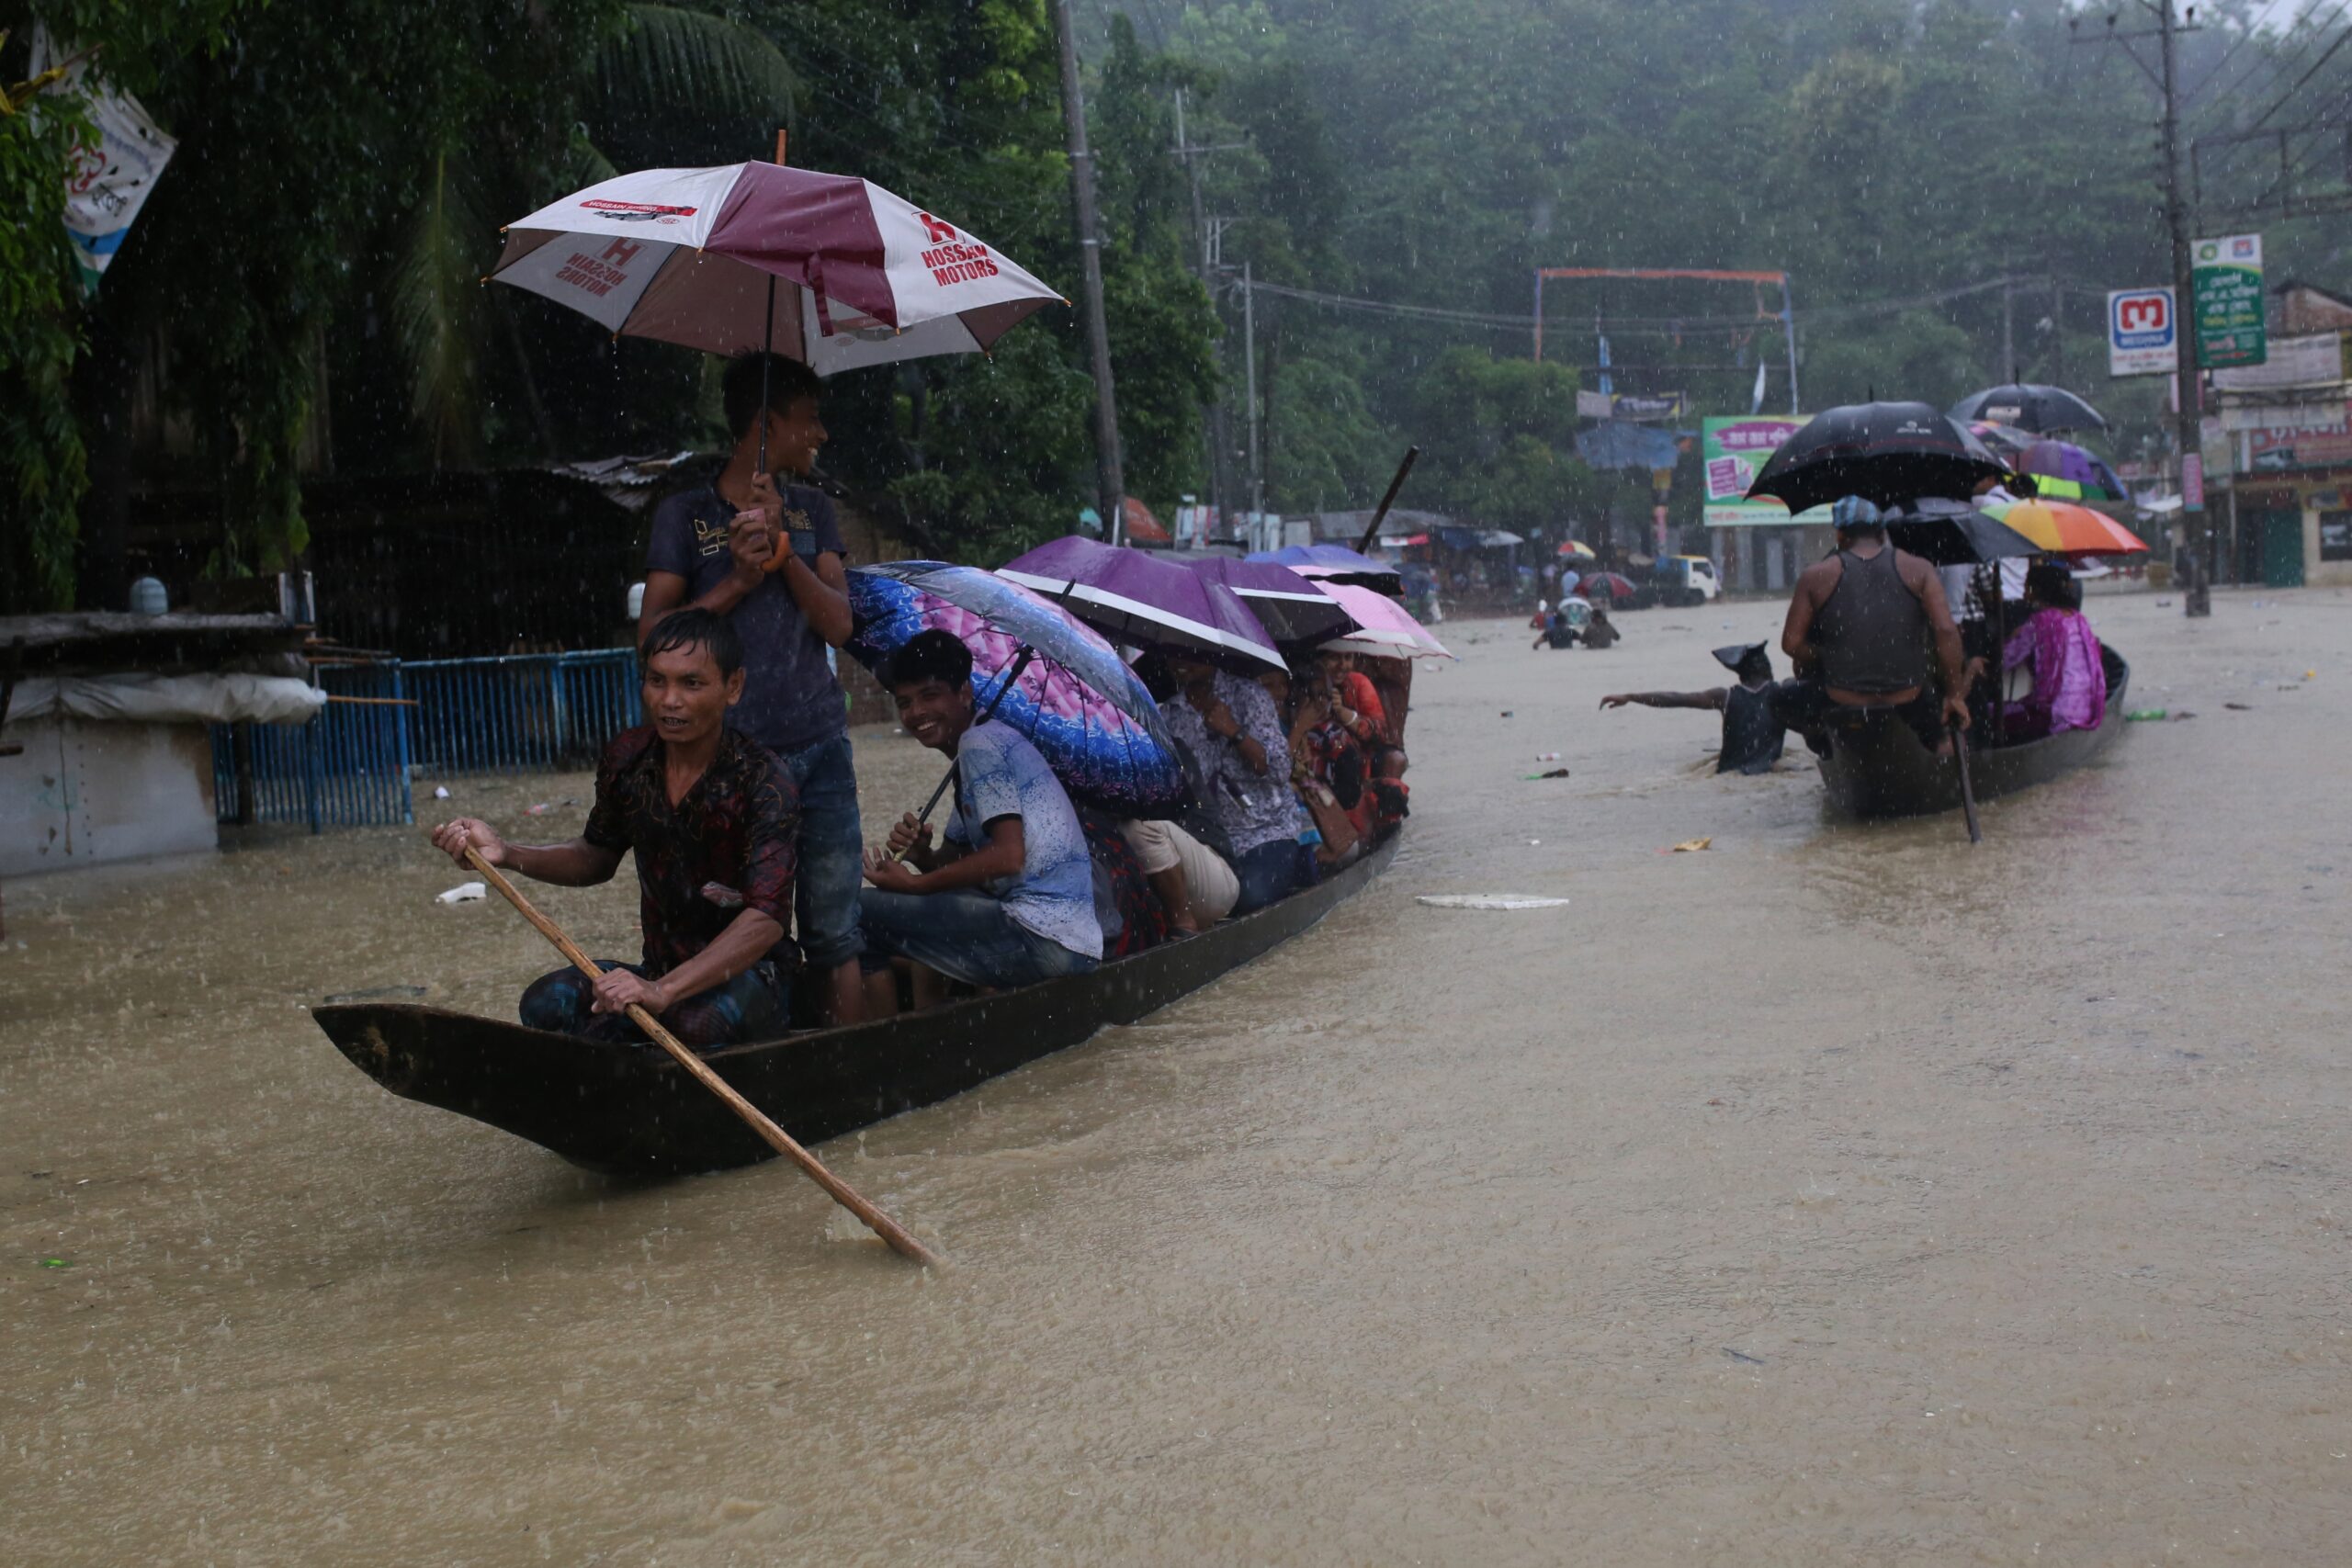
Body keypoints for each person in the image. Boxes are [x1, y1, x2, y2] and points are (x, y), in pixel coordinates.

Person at [427, 610, 798, 1049]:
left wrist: (664, 992)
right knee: (547, 1004)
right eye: (657, 681)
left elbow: (766, 920)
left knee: (694, 1024)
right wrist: (507, 852)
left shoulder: (764, 780)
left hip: (753, 978)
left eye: (691, 684)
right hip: (657, 973)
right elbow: (595, 856)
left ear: (732, 687)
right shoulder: (628, 758)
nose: (669, 700)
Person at [638, 352, 865, 1025]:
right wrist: (736, 579)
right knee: (727, 928)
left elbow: (841, 624)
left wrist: (786, 558)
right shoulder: (685, 515)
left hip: (819, 744)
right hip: (727, 762)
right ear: (766, 425)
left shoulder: (814, 510)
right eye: (810, 420)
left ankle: (847, 1076)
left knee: (833, 931)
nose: (820, 435)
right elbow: (653, 640)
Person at [856, 630, 1100, 1014]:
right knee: (919, 901)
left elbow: (1007, 858)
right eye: (905, 702)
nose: (916, 712)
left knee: (854, 912)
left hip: (1043, 937)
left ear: (965, 694)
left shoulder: (980, 746)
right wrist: (922, 856)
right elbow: (954, 867)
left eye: (930, 696)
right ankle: (931, 1019)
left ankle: (887, 1041)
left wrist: (916, 885)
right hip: (1067, 942)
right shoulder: (977, 752)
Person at [1777, 496, 1972, 756]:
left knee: (1778, 699)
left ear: (1840, 536)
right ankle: (1941, 750)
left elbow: (1791, 644)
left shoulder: (1815, 576)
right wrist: (1955, 695)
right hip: (1908, 696)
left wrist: (1830, 656)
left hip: (1841, 697)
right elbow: (1946, 631)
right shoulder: (1920, 569)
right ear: (1882, 534)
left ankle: (1827, 745)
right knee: (1941, 736)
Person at [1160, 656, 1312, 914]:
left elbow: (1278, 770)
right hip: (1210, 841)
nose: (1180, 660)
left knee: (1249, 898)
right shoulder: (1168, 715)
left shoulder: (1249, 696)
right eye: (1171, 653)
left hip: (1265, 831)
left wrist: (1233, 731)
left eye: (1187, 651)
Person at [1600, 642, 1788, 774]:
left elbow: (1676, 699)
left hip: (1731, 773)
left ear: (1740, 675)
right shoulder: (1783, 693)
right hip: (1770, 771)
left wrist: (1630, 697)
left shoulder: (1724, 697)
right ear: (1767, 670)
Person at [1980, 560, 2107, 739]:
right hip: (2088, 709)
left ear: (2037, 591)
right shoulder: (2078, 618)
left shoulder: (2039, 622)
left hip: (2056, 713)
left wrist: (1985, 659)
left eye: (2027, 588)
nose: (2023, 593)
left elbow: (2005, 660)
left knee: (1987, 713)